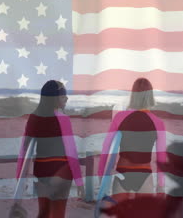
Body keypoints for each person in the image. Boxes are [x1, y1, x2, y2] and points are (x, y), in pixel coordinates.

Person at [15, 80, 84, 218]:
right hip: (62, 171)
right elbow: (71, 153)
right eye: (63, 95)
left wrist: (19, 179)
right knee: (58, 214)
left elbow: (24, 150)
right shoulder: (63, 119)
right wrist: (79, 182)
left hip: (42, 171)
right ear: (54, 98)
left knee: (43, 213)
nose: (66, 98)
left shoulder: (34, 118)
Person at [98, 78, 167, 202]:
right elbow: (161, 157)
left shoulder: (119, 117)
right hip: (144, 175)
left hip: (122, 173)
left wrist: (101, 176)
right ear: (150, 96)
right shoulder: (158, 122)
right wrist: (161, 185)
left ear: (133, 95)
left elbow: (106, 148)